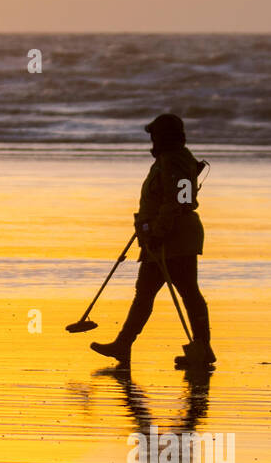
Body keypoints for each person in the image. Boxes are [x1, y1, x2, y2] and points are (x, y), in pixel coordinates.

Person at [91, 113, 215, 369]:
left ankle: (200, 349)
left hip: (174, 238)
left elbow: (177, 202)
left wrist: (158, 233)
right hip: (167, 235)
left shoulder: (175, 162)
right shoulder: (171, 159)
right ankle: (126, 344)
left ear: (164, 137)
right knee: (152, 292)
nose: (152, 141)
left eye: (155, 135)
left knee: (183, 293)